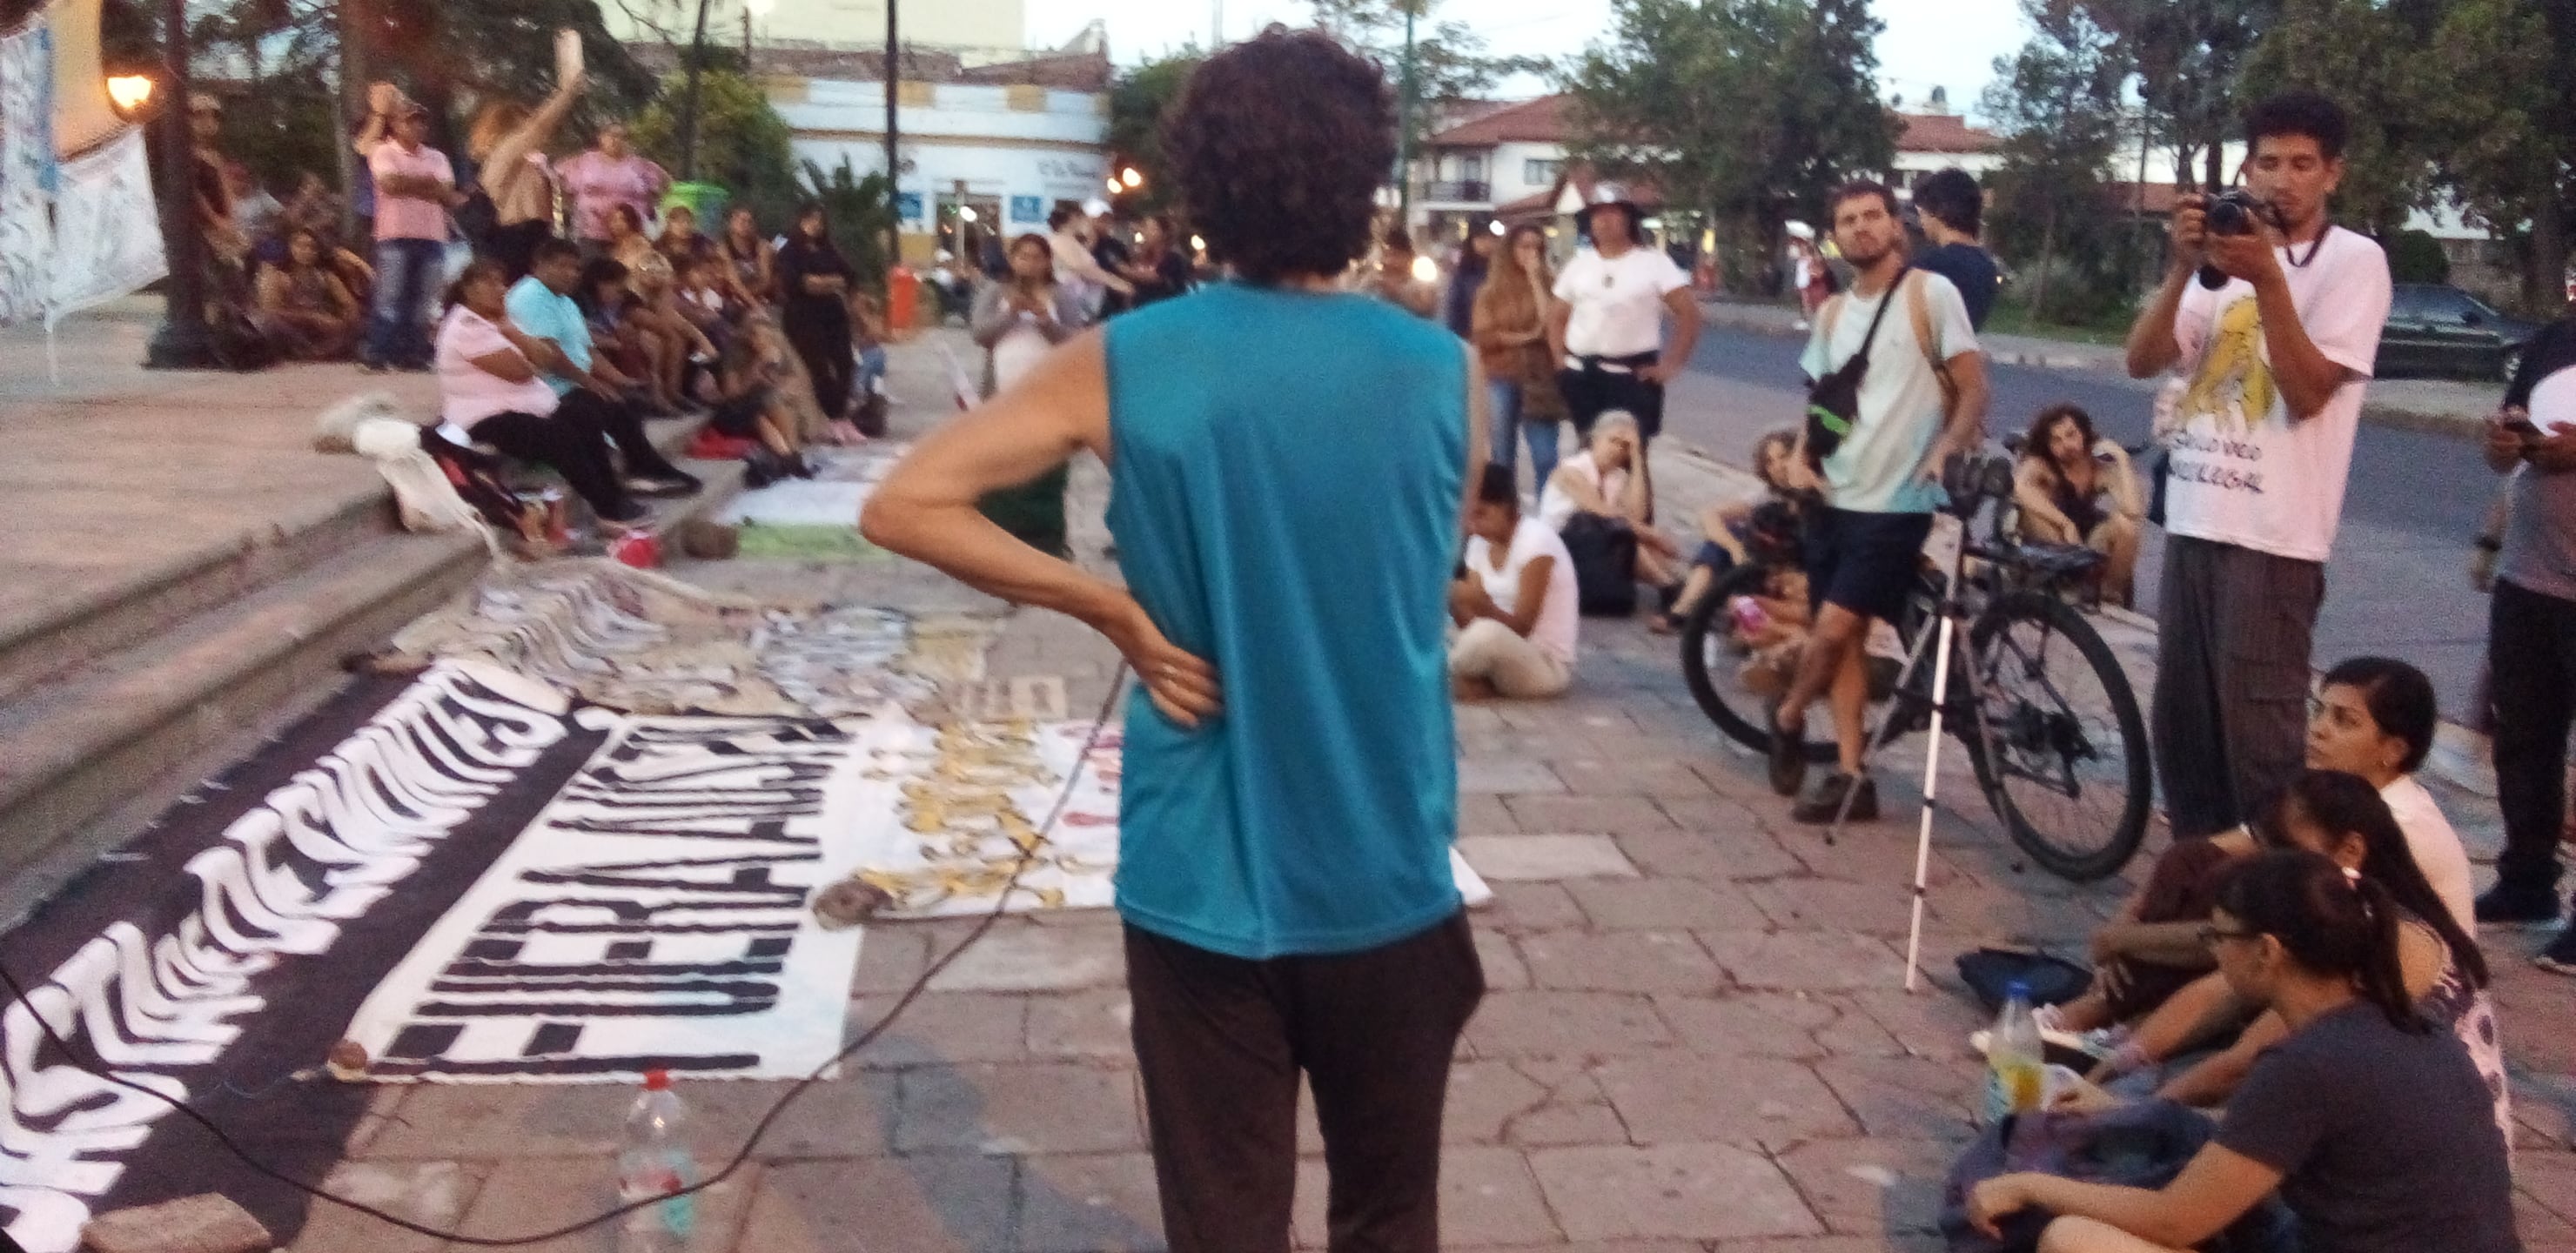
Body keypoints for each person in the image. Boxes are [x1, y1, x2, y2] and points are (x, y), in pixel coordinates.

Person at [858, 29, 1486, 1252]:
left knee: (1222, 1225)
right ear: (1364, 182)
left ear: (1204, 186)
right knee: (1391, 1213)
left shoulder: (1124, 359)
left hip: (1200, 871)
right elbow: (1428, 574)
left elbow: (904, 503)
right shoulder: (1443, 369)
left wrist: (1112, 608)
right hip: (1387, 858)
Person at [1969, 850, 2517, 1253]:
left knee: (2072, 1239)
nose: (2213, 951)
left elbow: (2175, 1220)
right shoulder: (2414, 1025)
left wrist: (2029, 1186)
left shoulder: (2310, 1064)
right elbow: (2257, 1142)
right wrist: (2124, 1110)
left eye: (2219, 937)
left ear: (2266, 952)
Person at [2125, 91, 2394, 843]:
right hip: (2194, 522)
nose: (2282, 180)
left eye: (2303, 165)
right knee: (2184, 734)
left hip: (2274, 542)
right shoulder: (2222, 255)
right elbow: (2142, 359)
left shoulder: (2353, 262)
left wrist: (2270, 278)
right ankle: (2207, 887)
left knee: (2261, 748)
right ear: (2247, 168)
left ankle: (2285, 893)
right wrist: (2182, 269)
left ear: (2333, 174)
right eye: (2268, 162)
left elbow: (2308, 393)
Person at [1770, 180, 1989, 825]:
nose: (1862, 227)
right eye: (1848, 220)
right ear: (1834, 236)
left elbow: (1974, 389)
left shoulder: (1931, 295)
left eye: (1873, 216)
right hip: (1833, 493)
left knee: (1834, 627)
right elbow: (1822, 399)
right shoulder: (1832, 314)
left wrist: (1946, 447)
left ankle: (1787, 715)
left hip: (1899, 499)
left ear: (1896, 225)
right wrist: (1802, 456)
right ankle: (1851, 775)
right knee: (1846, 640)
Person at [2148, 771, 2509, 1151]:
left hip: (2431, 1148)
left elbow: (2242, 1062)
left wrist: (2135, 1113)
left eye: (2287, 852)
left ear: (2350, 851)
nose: (2271, 869)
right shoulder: (2354, 916)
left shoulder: (2374, 940)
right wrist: (2127, 1060)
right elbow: (2223, 991)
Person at [2474, 308, 2576, 955]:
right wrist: (2503, 445)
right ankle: (2526, 881)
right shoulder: (2555, 338)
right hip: (2530, 576)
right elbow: (2505, 440)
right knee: (2525, 741)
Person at [433, 258, 657, 528]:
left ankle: (614, 497)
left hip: (525, 405)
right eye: (489, 283)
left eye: (501, 283)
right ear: (468, 289)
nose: (500, 289)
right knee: (560, 436)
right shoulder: (466, 327)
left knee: (585, 412)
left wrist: (516, 337)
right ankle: (607, 509)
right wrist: (522, 345)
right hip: (483, 418)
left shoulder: (497, 322)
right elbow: (521, 371)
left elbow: (545, 357)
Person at [503, 238, 701, 499]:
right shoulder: (530, 296)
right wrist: (589, 382)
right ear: (538, 265)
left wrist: (622, 380)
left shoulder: (565, 301)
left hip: (574, 381)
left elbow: (588, 350)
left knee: (628, 401)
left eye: (575, 268)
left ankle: (644, 469)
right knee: (606, 406)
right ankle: (635, 475)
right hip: (549, 386)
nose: (571, 274)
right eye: (562, 266)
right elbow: (551, 355)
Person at [1549, 184, 1701, 468]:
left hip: (1631, 378)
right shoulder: (1579, 265)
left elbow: (1689, 314)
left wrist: (1671, 364)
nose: (1604, 221)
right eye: (1597, 214)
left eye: (1613, 213)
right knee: (1587, 458)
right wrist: (1560, 361)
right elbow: (1556, 316)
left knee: (1630, 459)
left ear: (1629, 219)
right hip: (1583, 376)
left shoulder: (1654, 263)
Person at [1654, 428, 1813, 633]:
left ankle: (1741, 617)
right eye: (1770, 462)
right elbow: (1710, 515)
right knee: (1724, 536)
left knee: (1748, 626)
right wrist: (1734, 547)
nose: (1778, 467)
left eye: (1784, 457)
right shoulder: (1767, 495)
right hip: (1760, 570)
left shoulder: (1816, 494)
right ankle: (1683, 610)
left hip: (1794, 576)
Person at [1452, 463, 1578, 700]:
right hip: (1493, 651)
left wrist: (1482, 605)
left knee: (1486, 635)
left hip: (1543, 663)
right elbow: (1468, 625)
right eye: (1469, 517)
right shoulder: (1479, 544)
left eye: (1481, 514)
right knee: (1436, 630)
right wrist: (1454, 603)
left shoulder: (1536, 541)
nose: (1473, 527)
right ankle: (1466, 682)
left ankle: (1444, 676)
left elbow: (1522, 627)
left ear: (1507, 507)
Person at [361, 101, 463, 372]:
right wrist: (428, 184)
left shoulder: (437, 157)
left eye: (421, 122)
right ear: (395, 125)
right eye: (411, 121)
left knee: (424, 299)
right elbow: (389, 184)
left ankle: (414, 353)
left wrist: (408, 183)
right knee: (390, 296)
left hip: (431, 235)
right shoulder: (383, 151)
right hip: (394, 235)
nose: (418, 127)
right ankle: (380, 351)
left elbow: (446, 191)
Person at [1540, 412, 1686, 599]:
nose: (1617, 449)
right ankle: (1667, 585)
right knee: (1627, 538)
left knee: (1650, 548)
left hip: (1594, 546)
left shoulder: (1617, 476)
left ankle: (1681, 589)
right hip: (1562, 543)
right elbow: (1603, 513)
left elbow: (1637, 515)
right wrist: (1654, 534)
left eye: (1625, 446)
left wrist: (1637, 457)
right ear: (1595, 439)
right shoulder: (1570, 470)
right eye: (1613, 441)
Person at [2014, 403, 2144, 606]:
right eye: (2056, 440)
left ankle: (2110, 595)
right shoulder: (2040, 465)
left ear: (2083, 433)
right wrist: (2065, 523)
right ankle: (2065, 584)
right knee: (2028, 511)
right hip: (2050, 540)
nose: (2066, 445)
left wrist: (2122, 459)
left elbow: (2133, 511)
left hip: (2087, 541)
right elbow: (2020, 488)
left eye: (2071, 435)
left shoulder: (2098, 468)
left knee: (2126, 525)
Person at [1472, 224, 1566, 492]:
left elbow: (1550, 325)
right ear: (1510, 249)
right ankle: (1506, 510)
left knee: (1546, 456)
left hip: (1539, 378)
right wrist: (1526, 337)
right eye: (1524, 246)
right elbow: (1484, 337)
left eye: (1537, 247)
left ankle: (1547, 511)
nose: (1531, 253)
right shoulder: (1490, 291)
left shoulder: (1553, 285)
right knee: (1503, 455)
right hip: (1502, 375)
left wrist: (1536, 280)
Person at [466, 71, 585, 283]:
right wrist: (567, 93)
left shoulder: (531, 163)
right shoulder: (505, 150)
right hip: (514, 236)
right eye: (524, 124)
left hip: (537, 234)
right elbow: (540, 126)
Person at [775, 203, 858, 422]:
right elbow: (802, 284)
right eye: (810, 219)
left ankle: (840, 412)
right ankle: (830, 413)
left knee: (845, 362)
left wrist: (823, 282)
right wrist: (833, 282)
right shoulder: (790, 251)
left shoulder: (829, 250)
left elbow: (848, 277)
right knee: (819, 367)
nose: (815, 225)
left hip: (832, 314)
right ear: (800, 221)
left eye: (820, 220)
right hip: (803, 315)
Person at [1909, 167, 2001, 331]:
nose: (1921, 220)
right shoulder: (1988, 266)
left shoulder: (1929, 265)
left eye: (1922, 212)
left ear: (1939, 211)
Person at [557, 123, 670, 254]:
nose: (616, 140)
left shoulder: (638, 165)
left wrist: (650, 207)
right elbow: (558, 179)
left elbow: (666, 183)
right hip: (591, 231)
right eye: (612, 135)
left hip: (630, 234)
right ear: (601, 137)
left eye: (622, 137)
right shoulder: (585, 161)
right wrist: (571, 206)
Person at [253, 226, 361, 360]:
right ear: (290, 247)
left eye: (312, 247)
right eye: (300, 246)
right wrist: (312, 317)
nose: (306, 251)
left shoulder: (325, 276)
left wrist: (344, 320)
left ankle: (313, 352)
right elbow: (270, 311)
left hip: (321, 330)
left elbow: (349, 304)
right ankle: (313, 352)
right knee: (271, 322)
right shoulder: (280, 276)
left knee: (357, 325)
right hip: (293, 328)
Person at [1047, 203, 1131, 319]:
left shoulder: (1071, 241)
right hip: (1074, 300)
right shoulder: (1059, 240)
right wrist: (1115, 283)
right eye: (1083, 217)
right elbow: (1081, 268)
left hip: (1088, 301)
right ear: (1074, 217)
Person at [1364, 229, 1442, 318]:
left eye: (1395, 255)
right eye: (1386, 254)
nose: (1388, 261)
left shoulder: (1420, 281)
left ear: (1408, 258)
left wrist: (1398, 292)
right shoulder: (1373, 279)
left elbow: (1425, 307)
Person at [1124, 212, 1195, 307]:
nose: (1144, 232)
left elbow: (1151, 278)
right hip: (1143, 307)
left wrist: (1119, 267)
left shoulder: (1173, 258)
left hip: (1167, 307)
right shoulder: (1141, 257)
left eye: (1149, 228)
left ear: (1162, 234)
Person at [1443, 228, 1497, 338]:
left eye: (1492, 238)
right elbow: (1455, 313)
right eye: (1482, 238)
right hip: (1472, 338)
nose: (1488, 243)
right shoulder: (1463, 274)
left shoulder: (1505, 270)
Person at [721, 206, 778, 306]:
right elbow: (734, 282)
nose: (745, 225)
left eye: (749, 222)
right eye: (741, 220)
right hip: (735, 299)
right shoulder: (724, 248)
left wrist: (751, 297)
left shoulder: (762, 246)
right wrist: (754, 305)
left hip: (762, 296)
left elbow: (766, 280)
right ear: (731, 223)